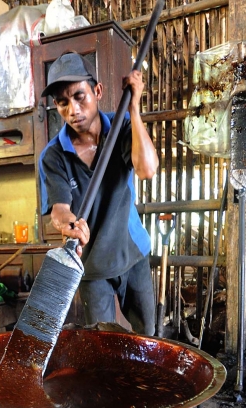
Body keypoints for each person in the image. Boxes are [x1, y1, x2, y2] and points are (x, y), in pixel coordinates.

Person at [38, 52, 159, 334]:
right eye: (63, 103)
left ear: (98, 91)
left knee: (149, 336)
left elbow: (147, 169)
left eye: (80, 96)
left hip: (133, 253)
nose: (73, 110)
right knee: (102, 346)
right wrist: (67, 224)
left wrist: (134, 109)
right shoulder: (54, 155)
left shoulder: (121, 128)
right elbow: (59, 209)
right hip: (92, 267)